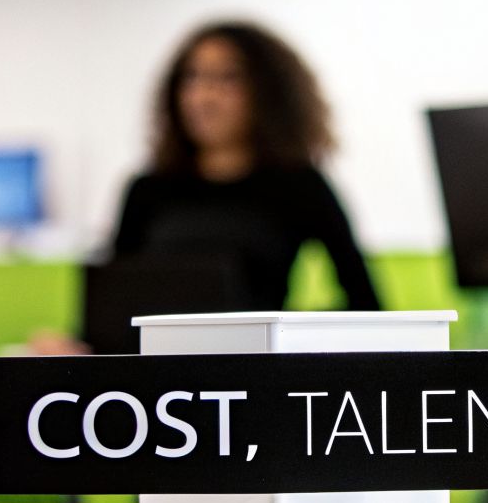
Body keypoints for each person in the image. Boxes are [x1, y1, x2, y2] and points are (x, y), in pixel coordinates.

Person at [110, 20, 380, 312]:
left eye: (228, 78)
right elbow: (111, 302)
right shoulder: (148, 189)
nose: (204, 97)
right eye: (191, 78)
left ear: (268, 92)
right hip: (157, 357)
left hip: (253, 356)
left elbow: (365, 303)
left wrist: (283, 334)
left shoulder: (300, 186)